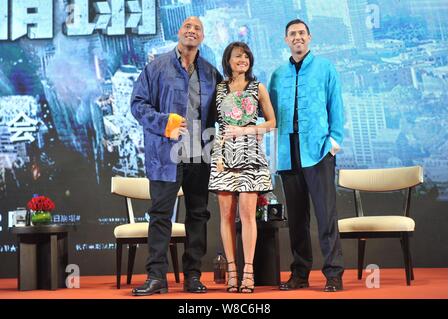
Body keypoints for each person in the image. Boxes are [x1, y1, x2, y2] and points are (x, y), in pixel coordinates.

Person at [130, 17, 222, 296]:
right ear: (179, 33)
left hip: (200, 155)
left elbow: (221, 112)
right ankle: (156, 276)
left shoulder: (210, 73)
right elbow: (137, 105)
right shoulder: (156, 68)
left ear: (202, 38)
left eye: (197, 29)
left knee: (198, 215)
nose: (192, 31)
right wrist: (164, 123)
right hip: (166, 156)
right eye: (187, 27)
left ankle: (193, 276)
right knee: (160, 216)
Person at [269, 19, 345, 292]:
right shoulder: (277, 75)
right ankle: (300, 273)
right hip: (288, 152)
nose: (297, 37)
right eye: (292, 34)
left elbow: (335, 103)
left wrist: (334, 141)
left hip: (318, 150)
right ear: (286, 40)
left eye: (302, 33)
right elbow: (270, 114)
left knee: (326, 216)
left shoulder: (325, 68)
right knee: (297, 218)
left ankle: (333, 273)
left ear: (309, 38)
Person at [209, 42, 276, 293]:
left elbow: (271, 122)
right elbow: (215, 123)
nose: (243, 59)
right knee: (226, 216)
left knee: (247, 215)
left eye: (246, 56)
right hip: (224, 156)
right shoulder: (219, 89)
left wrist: (249, 130)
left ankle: (249, 271)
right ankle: (232, 272)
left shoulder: (257, 87)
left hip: (250, 155)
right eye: (238, 56)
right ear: (228, 60)